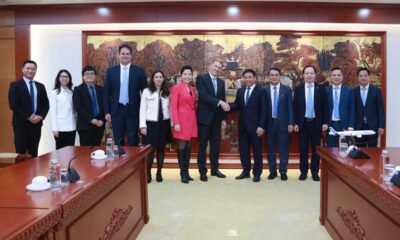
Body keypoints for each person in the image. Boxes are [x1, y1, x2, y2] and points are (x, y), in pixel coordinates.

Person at [104, 44, 147, 146]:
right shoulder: (111, 71)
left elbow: (145, 93)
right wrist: (107, 111)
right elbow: (106, 93)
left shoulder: (139, 71)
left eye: (127, 54)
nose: (125, 56)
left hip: (133, 111)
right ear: (118, 55)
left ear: (131, 56)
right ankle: (120, 162)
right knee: (118, 141)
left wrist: (144, 112)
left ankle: (133, 162)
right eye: (123, 53)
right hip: (117, 111)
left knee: (133, 141)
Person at [229, 69, 266, 182]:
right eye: (245, 77)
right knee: (243, 150)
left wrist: (261, 126)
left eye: (250, 77)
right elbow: (237, 105)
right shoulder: (240, 91)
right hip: (243, 127)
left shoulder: (261, 91)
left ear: (254, 78)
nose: (248, 79)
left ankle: (257, 173)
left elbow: (264, 110)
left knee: (257, 151)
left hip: (256, 127)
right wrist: (228, 107)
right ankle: (246, 171)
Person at [196, 59, 230, 182]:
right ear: (210, 65)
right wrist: (219, 102)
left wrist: (224, 119)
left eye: (219, 67)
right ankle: (202, 171)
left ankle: (215, 169)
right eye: (215, 66)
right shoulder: (202, 78)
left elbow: (223, 99)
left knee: (216, 145)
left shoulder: (221, 82)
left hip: (216, 119)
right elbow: (203, 96)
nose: (217, 69)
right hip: (204, 118)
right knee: (203, 145)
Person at [293, 65, 328, 181]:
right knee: (302, 149)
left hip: (316, 123)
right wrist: (295, 123)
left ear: (315, 75)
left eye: (311, 73)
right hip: (302, 124)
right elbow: (295, 107)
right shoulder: (298, 89)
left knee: (315, 150)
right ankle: (303, 172)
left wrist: (325, 122)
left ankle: (314, 172)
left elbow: (324, 107)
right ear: (303, 75)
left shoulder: (321, 89)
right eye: (307, 73)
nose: (309, 75)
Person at [8, 60, 49, 157]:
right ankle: (19, 172)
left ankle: (33, 172)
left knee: (34, 152)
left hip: (36, 124)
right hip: (21, 124)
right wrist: (28, 117)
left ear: (36, 71)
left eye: (33, 69)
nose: (30, 71)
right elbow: (13, 104)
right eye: (28, 68)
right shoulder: (15, 85)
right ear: (23, 70)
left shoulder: (40, 86)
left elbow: (46, 104)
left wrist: (40, 117)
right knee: (21, 152)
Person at [139, 71, 171, 183]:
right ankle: (148, 173)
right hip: (151, 125)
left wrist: (171, 125)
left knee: (161, 149)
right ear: (152, 79)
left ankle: (159, 172)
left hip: (164, 124)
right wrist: (142, 126)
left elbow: (170, 109)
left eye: (160, 77)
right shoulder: (146, 92)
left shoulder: (167, 92)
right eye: (156, 77)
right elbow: (142, 109)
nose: (158, 79)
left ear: (163, 79)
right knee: (150, 151)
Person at [264, 68, 293, 181]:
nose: (274, 77)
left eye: (276, 75)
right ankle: (272, 171)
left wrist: (290, 123)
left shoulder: (287, 90)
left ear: (280, 76)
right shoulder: (264, 90)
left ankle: (283, 171)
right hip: (269, 124)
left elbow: (290, 107)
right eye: (272, 75)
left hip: (283, 124)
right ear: (268, 77)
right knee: (270, 149)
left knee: (283, 149)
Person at [170, 65, 198, 184]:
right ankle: (182, 173)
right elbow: (173, 106)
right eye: (185, 74)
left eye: (189, 74)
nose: (187, 76)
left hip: (191, 120)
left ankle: (187, 172)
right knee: (181, 147)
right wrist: (176, 122)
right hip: (180, 121)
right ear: (181, 75)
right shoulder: (176, 88)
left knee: (188, 147)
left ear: (192, 76)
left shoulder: (192, 88)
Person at [73, 66, 105, 146]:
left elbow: (105, 106)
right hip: (85, 126)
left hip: (99, 126)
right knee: (85, 153)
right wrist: (92, 120)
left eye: (92, 73)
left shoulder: (101, 89)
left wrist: (102, 120)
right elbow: (78, 107)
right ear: (83, 77)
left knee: (98, 150)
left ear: (95, 76)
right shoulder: (78, 89)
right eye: (87, 74)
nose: (89, 75)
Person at [353, 67, 385, 147]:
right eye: (361, 76)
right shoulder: (353, 92)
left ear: (368, 77)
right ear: (358, 78)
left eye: (365, 75)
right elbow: (352, 110)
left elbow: (380, 109)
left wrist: (381, 126)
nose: (363, 78)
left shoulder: (376, 91)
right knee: (359, 150)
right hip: (358, 126)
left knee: (373, 150)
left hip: (373, 126)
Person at [325, 67, 355, 147]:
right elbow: (323, 109)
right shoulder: (326, 91)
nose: (336, 77)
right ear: (330, 77)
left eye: (339, 75)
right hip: (331, 125)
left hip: (344, 125)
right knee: (330, 150)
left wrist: (351, 126)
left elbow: (352, 109)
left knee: (344, 149)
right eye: (334, 75)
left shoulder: (349, 90)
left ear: (342, 77)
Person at [49, 69, 76, 149]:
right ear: (58, 78)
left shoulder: (72, 92)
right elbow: (53, 112)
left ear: (69, 79)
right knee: (60, 151)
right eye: (62, 77)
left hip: (72, 126)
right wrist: (54, 128)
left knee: (71, 150)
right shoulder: (54, 93)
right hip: (60, 128)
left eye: (67, 77)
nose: (64, 78)